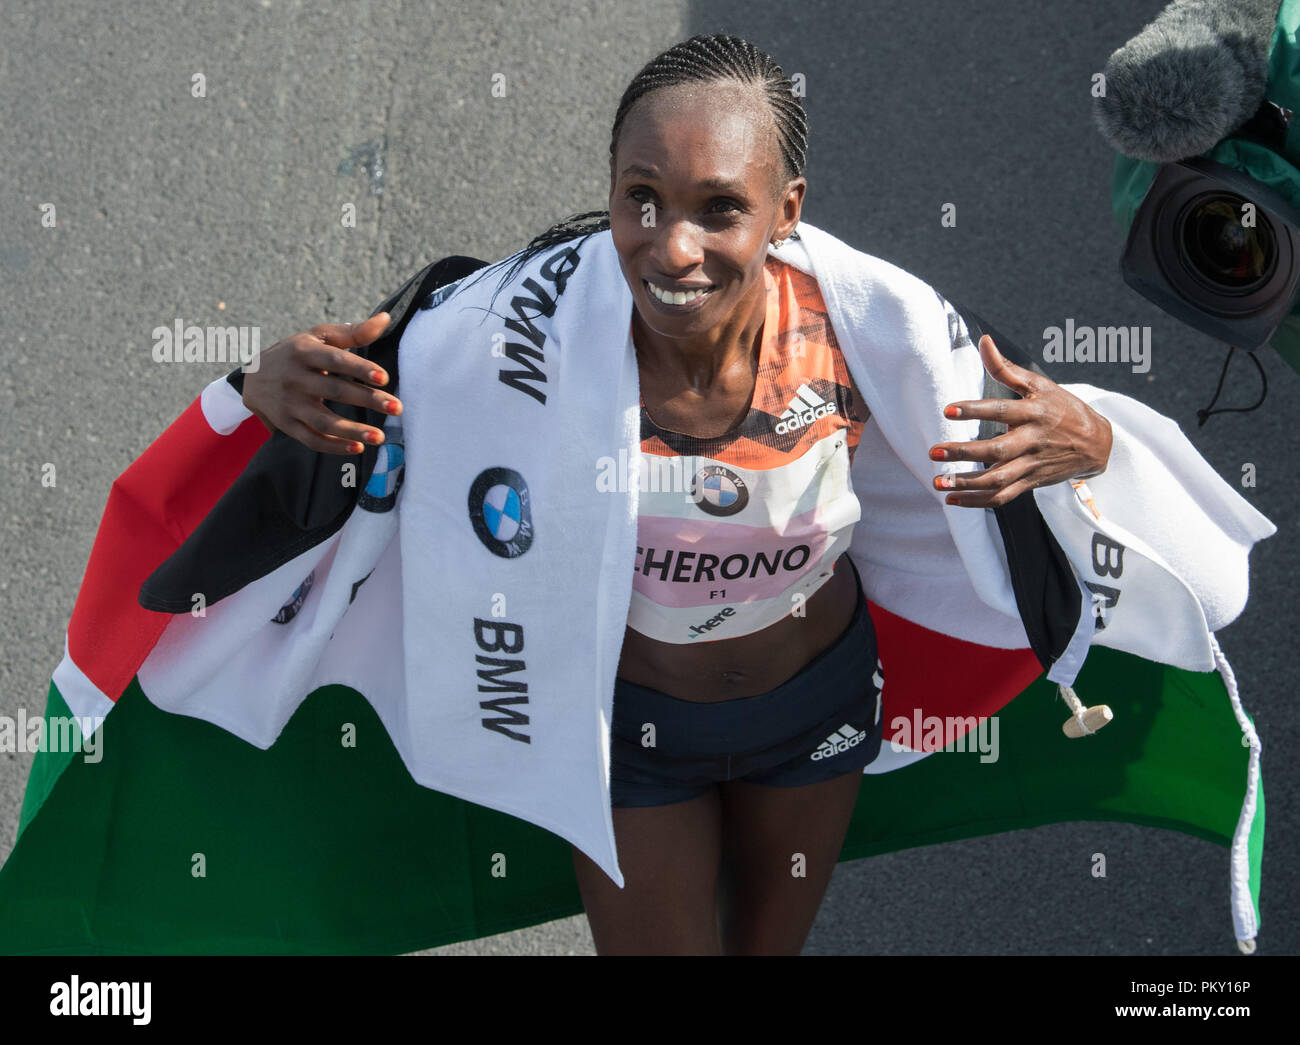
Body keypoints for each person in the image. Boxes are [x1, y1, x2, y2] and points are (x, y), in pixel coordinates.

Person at [240, 34, 1114, 955]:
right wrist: (252, 386)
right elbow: (361, 383)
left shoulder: (871, 334)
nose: (674, 247)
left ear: (787, 211)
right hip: (627, 729)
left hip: (816, 709)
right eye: (642, 199)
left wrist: (1093, 443)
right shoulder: (510, 343)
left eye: (720, 208)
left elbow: (1062, 443)